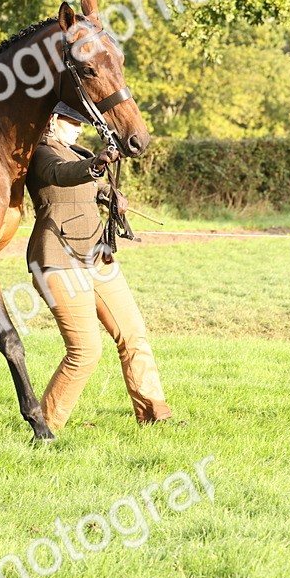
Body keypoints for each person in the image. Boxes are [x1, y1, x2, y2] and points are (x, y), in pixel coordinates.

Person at [26, 101, 173, 430]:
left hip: (97, 256)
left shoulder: (73, 150)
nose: (79, 128)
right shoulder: (41, 152)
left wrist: (107, 192)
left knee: (133, 334)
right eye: (72, 122)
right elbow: (60, 174)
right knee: (85, 351)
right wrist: (96, 165)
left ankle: (154, 414)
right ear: (52, 119)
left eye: (82, 123)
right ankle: (46, 427)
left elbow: (85, 185)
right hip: (59, 261)